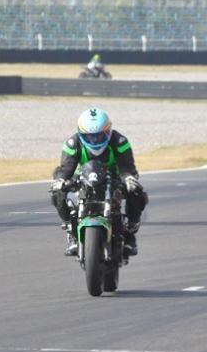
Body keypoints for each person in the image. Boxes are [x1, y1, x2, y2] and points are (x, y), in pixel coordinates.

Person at [49, 108, 148, 257]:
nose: (94, 140)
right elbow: (66, 168)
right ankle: (70, 228)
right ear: (81, 134)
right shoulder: (72, 143)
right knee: (57, 191)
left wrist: (129, 178)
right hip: (82, 176)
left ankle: (130, 232)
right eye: (89, 137)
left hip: (113, 176)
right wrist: (60, 180)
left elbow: (127, 167)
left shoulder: (120, 141)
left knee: (136, 191)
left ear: (108, 131)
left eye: (99, 136)